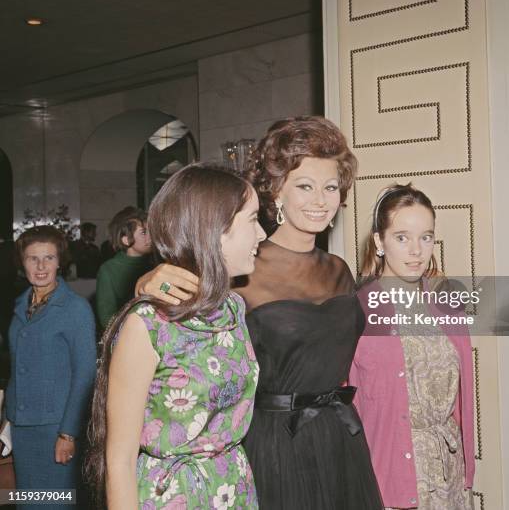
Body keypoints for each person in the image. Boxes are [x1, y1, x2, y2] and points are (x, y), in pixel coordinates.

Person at [137, 117, 383, 510]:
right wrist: (147, 280)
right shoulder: (242, 267)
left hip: (340, 436)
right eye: (304, 186)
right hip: (274, 443)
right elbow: (169, 320)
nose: (320, 199)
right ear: (276, 192)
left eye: (331, 187)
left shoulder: (340, 270)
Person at [85, 165, 266, 509]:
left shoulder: (233, 308)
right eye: (253, 220)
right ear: (215, 230)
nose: (262, 235)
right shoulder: (147, 326)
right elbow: (119, 461)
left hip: (232, 487)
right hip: (172, 495)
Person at [350, 184, 475, 509]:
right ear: (380, 241)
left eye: (426, 237)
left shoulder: (448, 304)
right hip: (390, 474)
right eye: (402, 237)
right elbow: (348, 405)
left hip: (448, 472)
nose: (416, 250)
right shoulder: (358, 311)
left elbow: (462, 401)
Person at [5, 226, 97, 507]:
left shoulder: (75, 308)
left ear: (60, 262)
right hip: (22, 428)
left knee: (54, 503)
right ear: (23, 263)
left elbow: (85, 374)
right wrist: (8, 419)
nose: (41, 266)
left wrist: (68, 433)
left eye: (49, 258)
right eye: (33, 258)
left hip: (55, 429)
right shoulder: (21, 306)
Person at [95, 207, 152, 329]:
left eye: (150, 231)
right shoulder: (108, 270)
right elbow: (106, 318)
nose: (150, 237)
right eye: (143, 232)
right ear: (126, 240)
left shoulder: (157, 263)